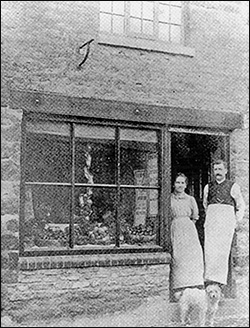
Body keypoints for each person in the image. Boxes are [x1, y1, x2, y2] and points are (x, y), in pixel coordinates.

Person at [203, 160, 246, 287]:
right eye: (216, 170)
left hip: (226, 224)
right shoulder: (208, 187)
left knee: (222, 252)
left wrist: (235, 221)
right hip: (212, 223)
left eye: (220, 169)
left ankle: (220, 284)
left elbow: (241, 206)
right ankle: (210, 283)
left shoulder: (233, 186)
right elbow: (206, 205)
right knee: (210, 252)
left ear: (226, 171)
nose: (218, 172)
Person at [170, 173, 205, 294]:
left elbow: (195, 216)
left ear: (186, 185)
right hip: (175, 227)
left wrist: (187, 227)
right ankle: (179, 287)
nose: (180, 185)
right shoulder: (169, 198)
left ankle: (193, 284)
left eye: (182, 183)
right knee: (178, 256)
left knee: (191, 255)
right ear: (173, 184)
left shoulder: (190, 199)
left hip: (189, 229)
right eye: (177, 182)